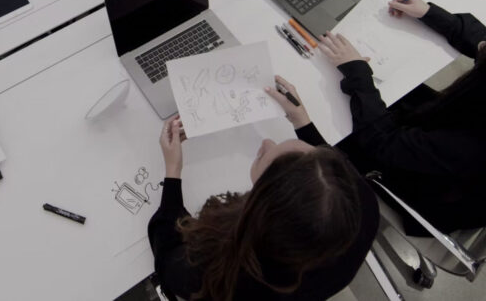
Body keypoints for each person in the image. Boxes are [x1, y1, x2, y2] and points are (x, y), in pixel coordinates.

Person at [269, 0, 486, 235]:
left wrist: (355, 72)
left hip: (416, 194)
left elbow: (379, 143)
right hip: (449, 166)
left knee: (324, 116)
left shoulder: (468, 146)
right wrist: (433, 15)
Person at [149, 114, 378, 301]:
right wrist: (303, 121)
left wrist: (172, 170)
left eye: (265, 156)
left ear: (264, 203)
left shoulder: (224, 269)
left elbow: (168, 253)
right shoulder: (364, 204)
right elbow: (334, 166)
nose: (267, 143)